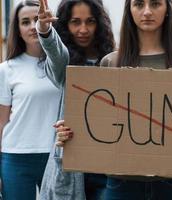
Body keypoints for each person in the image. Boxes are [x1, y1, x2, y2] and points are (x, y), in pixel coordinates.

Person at [57, 0, 172, 199]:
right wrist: (72, 132)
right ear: (129, 10)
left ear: (167, 10)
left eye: (155, 4)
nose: (147, 11)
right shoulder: (110, 62)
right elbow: (100, 123)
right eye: (139, 4)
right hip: (121, 182)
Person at [36, 0, 115, 199]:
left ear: (99, 23)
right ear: (65, 25)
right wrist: (45, 30)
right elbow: (56, 54)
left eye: (90, 21)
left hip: (108, 166)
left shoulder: (114, 60)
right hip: (71, 166)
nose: (83, 29)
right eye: (75, 22)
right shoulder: (64, 66)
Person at [0, 1, 63, 199]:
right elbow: (1, 122)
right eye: (25, 22)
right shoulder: (6, 69)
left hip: (56, 153)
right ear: (18, 30)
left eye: (37, 19)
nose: (32, 26)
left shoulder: (62, 63)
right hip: (16, 155)